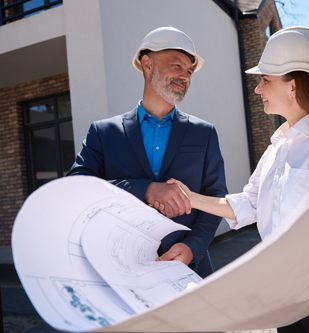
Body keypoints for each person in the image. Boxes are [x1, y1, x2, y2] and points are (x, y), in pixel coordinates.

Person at [157, 27, 309, 332]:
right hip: (287, 290)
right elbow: (250, 203)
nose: (258, 89)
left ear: (293, 85)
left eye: (265, 80)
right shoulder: (277, 148)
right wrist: (190, 198)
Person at [66, 27, 228, 278]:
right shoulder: (103, 132)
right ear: (147, 63)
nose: (185, 76)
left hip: (188, 269)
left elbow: (215, 196)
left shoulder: (204, 133)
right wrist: (146, 189)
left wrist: (191, 247)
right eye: (177, 65)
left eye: (189, 71)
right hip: (121, 271)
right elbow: (78, 187)